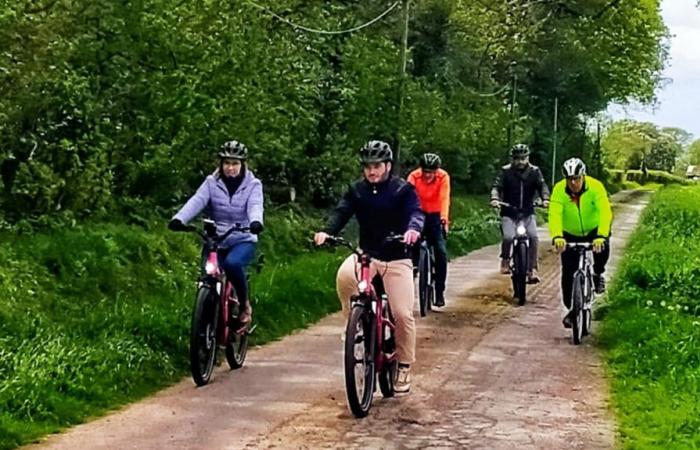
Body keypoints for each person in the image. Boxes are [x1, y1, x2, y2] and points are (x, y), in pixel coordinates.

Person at [314, 140, 424, 394]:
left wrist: (412, 230)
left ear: (387, 166)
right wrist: (327, 232)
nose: (371, 171)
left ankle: (404, 365)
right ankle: (354, 323)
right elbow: (341, 212)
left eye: (376, 166)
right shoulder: (357, 190)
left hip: (397, 258)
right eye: (367, 167)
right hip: (368, 256)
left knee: (402, 313)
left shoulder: (402, 190)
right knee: (344, 275)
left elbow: (415, 213)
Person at [168, 140, 264, 327]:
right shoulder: (211, 183)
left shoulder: (253, 184)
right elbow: (197, 200)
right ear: (220, 164)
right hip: (216, 238)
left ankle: (244, 305)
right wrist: (179, 219)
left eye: (235, 163)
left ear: (243, 164)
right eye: (227, 163)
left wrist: (255, 222)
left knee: (232, 264)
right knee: (208, 276)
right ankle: (206, 321)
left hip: (242, 236)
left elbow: (255, 205)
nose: (230, 168)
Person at [548, 157, 612, 328]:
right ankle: (572, 309)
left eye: (577, 178)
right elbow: (554, 214)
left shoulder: (596, 186)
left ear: (583, 176)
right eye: (570, 179)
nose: (574, 183)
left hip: (593, 230)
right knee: (568, 272)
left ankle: (598, 274)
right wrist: (557, 236)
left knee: (602, 249)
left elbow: (605, 212)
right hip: (570, 233)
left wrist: (601, 236)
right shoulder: (559, 190)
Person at [490, 144, 550, 283]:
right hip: (509, 212)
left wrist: (545, 199)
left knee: (534, 237)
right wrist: (495, 199)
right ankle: (505, 260)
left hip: (528, 212)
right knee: (508, 237)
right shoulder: (505, 171)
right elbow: (496, 187)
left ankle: (531, 269)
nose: (520, 162)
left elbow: (542, 186)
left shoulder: (535, 171)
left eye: (523, 159)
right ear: (512, 159)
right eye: (517, 159)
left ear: (528, 158)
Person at [407, 152, 450, 307]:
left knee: (440, 252)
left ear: (436, 171)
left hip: (436, 216)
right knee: (410, 249)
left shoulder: (443, 177)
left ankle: (439, 291)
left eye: (431, 172)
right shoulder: (414, 177)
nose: (428, 175)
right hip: (417, 215)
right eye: (425, 171)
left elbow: (445, 198)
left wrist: (444, 218)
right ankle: (410, 279)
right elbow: (407, 196)